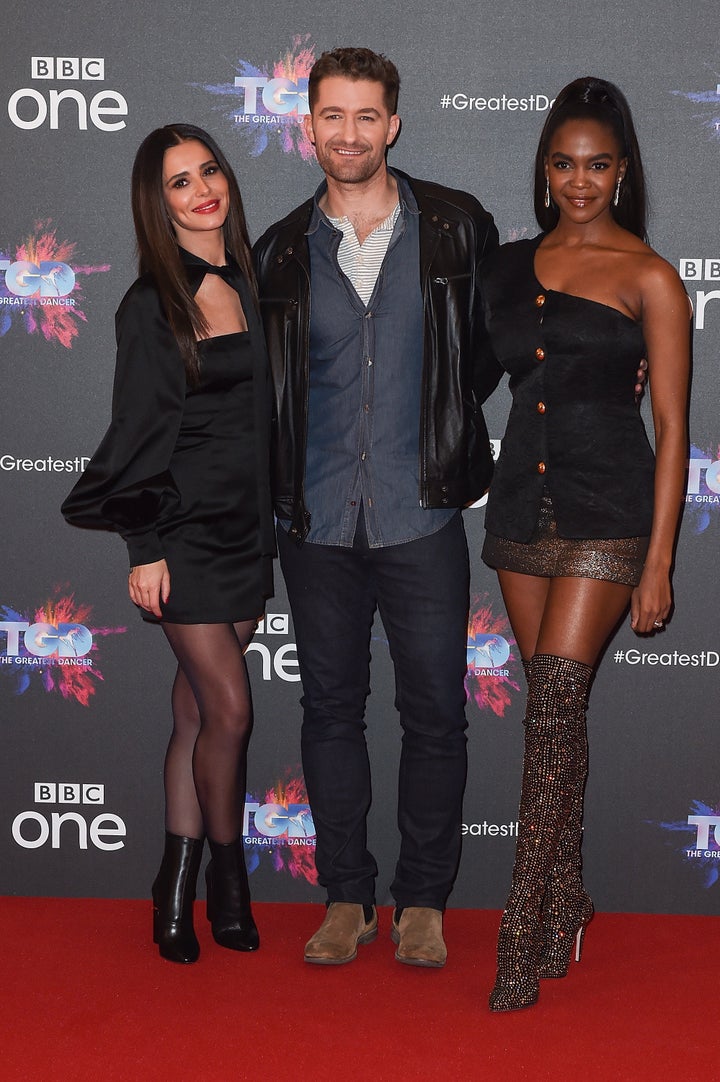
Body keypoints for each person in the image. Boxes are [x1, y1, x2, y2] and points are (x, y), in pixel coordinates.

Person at [254, 48, 498, 967]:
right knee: (330, 712)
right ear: (308, 125)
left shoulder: (456, 227)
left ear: (392, 125)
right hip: (315, 522)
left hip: (421, 513)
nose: (349, 134)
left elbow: (483, 356)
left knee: (436, 713)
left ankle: (424, 902)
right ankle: (347, 897)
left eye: (367, 117)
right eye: (332, 116)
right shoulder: (279, 248)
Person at [478, 77, 690, 1011]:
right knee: (557, 722)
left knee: (554, 710)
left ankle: (523, 934)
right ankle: (571, 900)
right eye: (563, 163)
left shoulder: (651, 276)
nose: (579, 180)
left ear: (623, 170)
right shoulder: (508, 266)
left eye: (597, 164)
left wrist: (659, 564)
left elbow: (676, 429)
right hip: (520, 508)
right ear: (545, 169)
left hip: (609, 511)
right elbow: (464, 369)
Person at [62, 124, 275, 964]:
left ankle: (169, 883)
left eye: (208, 171)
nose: (200, 191)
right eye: (179, 183)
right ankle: (227, 882)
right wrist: (142, 543)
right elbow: (138, 429)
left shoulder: (258, 279)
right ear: (159, 204)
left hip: (248, 532)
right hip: (181, 535)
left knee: (193, 714)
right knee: (230, 710)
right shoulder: (152, 302)